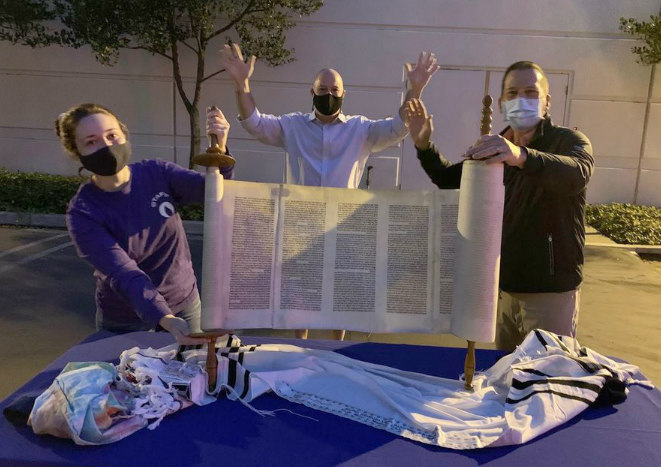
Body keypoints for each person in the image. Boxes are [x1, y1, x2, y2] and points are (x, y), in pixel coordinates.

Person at [219, 43, 439, 340]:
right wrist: (241, 84)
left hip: (345, 226)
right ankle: (301, 346)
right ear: (312, 93)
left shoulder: (361, 130)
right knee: (300, 295)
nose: (329, 95)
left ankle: (339, 349)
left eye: (335, 90)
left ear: (344, 94)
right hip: (300, 226)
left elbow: (399, 126)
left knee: (343, 292)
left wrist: (415, 91)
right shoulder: (292, 126)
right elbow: (255, 123)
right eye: (323, 90)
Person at [405, 61, 594, 351]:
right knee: (505, 377)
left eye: (531, 92)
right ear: (503, 102)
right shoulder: (495, 147)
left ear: (547, 101)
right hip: (503, 292)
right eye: (513, 92)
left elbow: (576, 174)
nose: (522, 100)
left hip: (550, 294)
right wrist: (423, 145)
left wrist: (521, 156)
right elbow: (451, 179)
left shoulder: (568, 141)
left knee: (548, 378)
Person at [56, 103, 234, 345]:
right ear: (76, 152)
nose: (107, 146)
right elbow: (123, 273)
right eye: (92, 141)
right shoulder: (83, 211)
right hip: (124, 321)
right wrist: (164, 317)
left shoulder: (157, 173)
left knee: (193, 375)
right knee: (130, 380)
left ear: (124, 134)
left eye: (112, 135)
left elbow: (214, 193)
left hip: (185, 305)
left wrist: (220, 151)